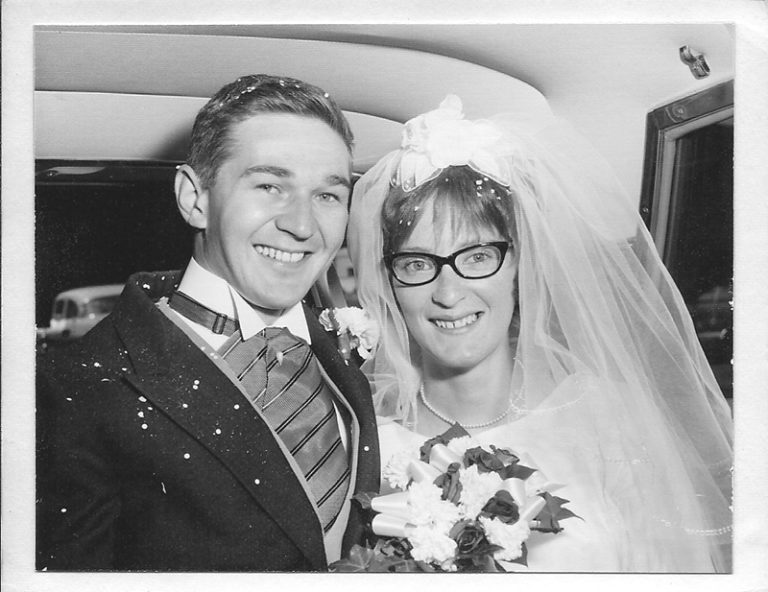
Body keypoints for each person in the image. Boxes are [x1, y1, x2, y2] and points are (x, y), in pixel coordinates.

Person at [346, 95, 733, 572]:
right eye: (417, 264)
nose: (448, 293)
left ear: (519, 266)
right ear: (389, 282)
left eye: (478, 257)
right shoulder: (366, 443)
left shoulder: (606, 419)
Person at [36, 74, 380, 571]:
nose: (303, 225)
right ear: (195, 198)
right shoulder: (81, 386)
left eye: (328, 195)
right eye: (270, 186)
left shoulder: (347, 356)